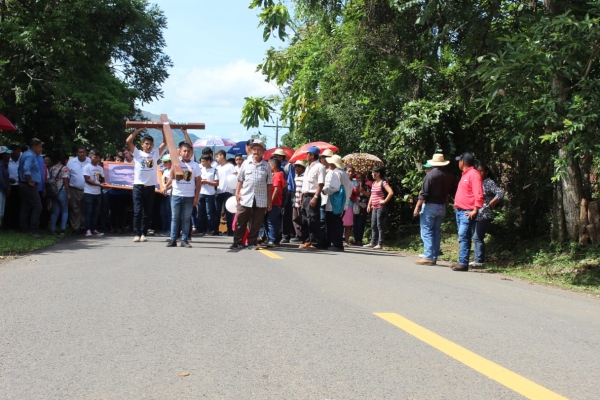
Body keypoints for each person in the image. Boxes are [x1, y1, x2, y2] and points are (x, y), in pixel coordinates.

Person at [230, 140, 272, 250]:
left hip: (261, 198)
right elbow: (240, 179)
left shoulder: (266, 165)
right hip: (246, 197)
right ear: (251, 151)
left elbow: (269, 184)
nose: (256, 151)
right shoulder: (245, 164)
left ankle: (252, 242)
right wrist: (237, 193)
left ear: (263, 152)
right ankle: (237, 242)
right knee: (240, 220)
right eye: (254, 149)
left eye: (259, 149)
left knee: (256, 222)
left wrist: (269, 200)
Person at [413, 154, 455, 265]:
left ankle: (428, 256)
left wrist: (417, 207)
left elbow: (424, 194)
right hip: (442, 206)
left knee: (426, 232)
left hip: (430, 206)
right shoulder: (449, 175)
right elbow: (453, 191)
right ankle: (434, 256)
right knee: (436, 231)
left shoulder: (430, 175)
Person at [126, 129, 166, 242]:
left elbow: (165, 142)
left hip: (150, 186)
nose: (149, 146)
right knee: (137, 211)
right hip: (138, 186)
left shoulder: (155, 154)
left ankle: (143, 233)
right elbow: (128, 141)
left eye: (151, 144)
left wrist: (163, 130)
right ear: (142, 144)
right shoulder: (138, 153)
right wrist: (138, 130)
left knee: (147, 212)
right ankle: (136, 233)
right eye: (146, 144)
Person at [452, 152, 484, 271]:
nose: (458, 163)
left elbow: (478, 193)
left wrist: (475, 209)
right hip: (460, 211)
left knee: (463, 235)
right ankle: (462, 261)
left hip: (467, 211)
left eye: (459, 161)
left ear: (463, 162)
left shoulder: (473, 174)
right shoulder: (465, 174)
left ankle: (463, 263)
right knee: (462, 236)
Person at [167, 143, 201, 248]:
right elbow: (172, 176)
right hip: (176, 194)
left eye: (189, 151)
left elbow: (198, 182)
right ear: (180, 152)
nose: (186, 153)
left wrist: (196, 197)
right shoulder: (176, 163)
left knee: (186, 218)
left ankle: (184, 240)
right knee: (175, 218)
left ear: (191, 153)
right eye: (184, 151)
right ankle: (173, 239)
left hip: (189, 195)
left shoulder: (195, 165)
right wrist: (174, 162)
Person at [470, 162, 504, 268]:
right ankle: (477, 259)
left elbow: (500, 193)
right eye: (477, 170)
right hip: (475, 213)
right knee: (474, 237)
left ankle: (479, 261)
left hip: (485, 214)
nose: (479, 173)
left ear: (486, 172)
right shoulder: (476, 182)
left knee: (478, 237)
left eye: (481, 171)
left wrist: (491, 203)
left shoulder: (488, 182)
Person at [322, 155, 353, 251]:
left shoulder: (335, 173)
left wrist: (324, 190)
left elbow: (334, 188)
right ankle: (336, 243)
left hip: (334, 204)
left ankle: (337, 244)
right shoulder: (343, 174)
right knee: (337, 222)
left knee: (333, 223)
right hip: (343, 203)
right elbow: (350, 188)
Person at [300, 146, 326, 250]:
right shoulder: (308, 167)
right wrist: (301, 195)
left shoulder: (320, 167)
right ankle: (307, 241)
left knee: (313, 219)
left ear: (312, 155)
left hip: (312, 196)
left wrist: (315, 197)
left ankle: (315, 242)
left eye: (308, 154)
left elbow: (320, 184)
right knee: (305, 219)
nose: (306, 156)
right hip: (306, 196)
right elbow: (305, 183)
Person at [18, 138, 44, 238]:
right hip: (28, 185)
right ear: (34, 147)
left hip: (24, 184)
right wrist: (29, 181)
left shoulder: (26, 155)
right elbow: (26, 168)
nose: (40, 149)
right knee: (38, 206)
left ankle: (23, 228)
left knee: (26, 206)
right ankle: (33, 230)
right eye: (40, 147)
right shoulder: (30, 156)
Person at [364, 166, 394, 249]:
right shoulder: (374, 183)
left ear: (378, 173)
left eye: (374, 173)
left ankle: (380, 243)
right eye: (372, 172)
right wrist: (369, 205)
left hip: (381, 207)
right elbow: (372, 195)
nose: (372, 174)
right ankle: (373, 242)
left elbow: (391, 192)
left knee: (380, 225)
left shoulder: (383, 183)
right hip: (374, 207)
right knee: (373, 225)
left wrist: (384, 201)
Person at [83, 149, 108, 236]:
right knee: (88, 212)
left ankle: (94, 229)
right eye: (95, 157)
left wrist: (103, 183)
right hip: (88, 193)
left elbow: (102, 179)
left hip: (97, 193)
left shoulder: (100, 168)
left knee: (96, 212)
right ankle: (88, 229)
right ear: (90, 157)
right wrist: (99, 185)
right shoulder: (87, 167)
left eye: (98, 157)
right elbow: (87, 180)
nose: (97, 159)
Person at [67, 146, 91, 234]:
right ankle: (75, 228)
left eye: (83, 152)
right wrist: (68, 191)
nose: (82, 154)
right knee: (75, 209)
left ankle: (84, 227)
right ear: (77, 153)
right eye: (80, 152)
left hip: (88, 189)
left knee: (86, 209)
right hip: (74, 189)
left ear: (86, 153)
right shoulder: (71, 162)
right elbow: (66, 177)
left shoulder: (90, 161)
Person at [215, 149, 236, 236]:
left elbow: (235, 175)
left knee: (228, 212)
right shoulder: (217, 168)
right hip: (219, 191)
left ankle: (230, 230)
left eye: (217, 156)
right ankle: (216, 229)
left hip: (228, 191)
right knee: (217, 211)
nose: (216, 159)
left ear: (222, 156)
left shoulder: (230, 166)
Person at [198, 154, 219, 236]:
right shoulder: (200, 169)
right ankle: (201, 228)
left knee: (209, 212)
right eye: (201, 161)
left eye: (203, 161)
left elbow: (216, 183)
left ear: (209, 161)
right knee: (201, 212)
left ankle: (211, 229)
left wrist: (207, 182)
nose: (202, 163)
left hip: (210, 193)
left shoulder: (214, 170)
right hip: (201, 192)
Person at [266, 157, 285, 247]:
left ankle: (272, 240)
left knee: (271, 222)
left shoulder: (277, 175)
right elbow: (285, 183)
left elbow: (276, 190)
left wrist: (271, 202)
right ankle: (276, 240)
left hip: (275, 203)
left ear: (273, 166)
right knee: (275, 222)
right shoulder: (279, 175)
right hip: (278, 203)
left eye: (269, 164)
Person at [49, 154, 70, 234]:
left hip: (53, 191)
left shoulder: (52, 168)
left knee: (55, 211)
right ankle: (63, 229)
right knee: (65, 210)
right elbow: (65, 181)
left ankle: (52, 228)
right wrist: (68, 193)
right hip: (62, 190)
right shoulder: (64, 168)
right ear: (65, 160)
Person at [352, 171, 371, 245]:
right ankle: (356, 239)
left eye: (360, 178)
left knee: (361, 223)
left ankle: (359, 239)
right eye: (357, 178)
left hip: (363, 206)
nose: (358, 179)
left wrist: (363, 191)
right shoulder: (354, 185)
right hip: (355, 205)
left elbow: (369, 195)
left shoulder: (366, 186)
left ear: (363, 178)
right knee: (355, 223)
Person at [6, 145, 22, 230]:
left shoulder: (20, 161)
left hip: (19, 185)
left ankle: (17, 225)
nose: (19, 154)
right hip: (10, 186)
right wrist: (8, 179)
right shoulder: (8, 161)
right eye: (17, 152)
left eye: (20, 152)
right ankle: (9, 225)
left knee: (18, 205)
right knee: (9, 206)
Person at [292, 160, 307, 242]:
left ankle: (304, 235)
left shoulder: (305, 177)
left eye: (297, 166)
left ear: (301, 167)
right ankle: (299, 235)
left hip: (302, 201)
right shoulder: (295, 176)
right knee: (295, 218)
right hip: (295, 200)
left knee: (302, 219)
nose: (295, 168)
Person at [158, 154, 173, 236]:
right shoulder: (165, 170)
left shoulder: (172, 171)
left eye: (166, 161)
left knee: (169, 213)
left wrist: (166, 189)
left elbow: (174, 182)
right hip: (163, 194)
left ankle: (171, 231)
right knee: (163, 212)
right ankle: (165, 229)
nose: (163, 163)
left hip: (170, 193)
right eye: (163, 161)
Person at [343, 166, 356, 246]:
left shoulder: (355, 182)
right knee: (339, 223)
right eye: (349, 171)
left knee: (348, 224)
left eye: (352, 172)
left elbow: (356, 193)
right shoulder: (341, 180)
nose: (350, 173)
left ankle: (346, 241)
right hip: (340, 204)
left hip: (350, 205)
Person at [0, 146, 12, 228]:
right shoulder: (0, 165)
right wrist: (6, 188)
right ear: (3, 155)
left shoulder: (4, 165)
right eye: (7, 154)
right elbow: (1, 178)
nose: (9, 156)